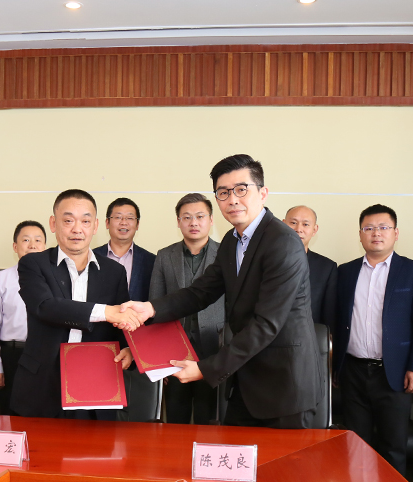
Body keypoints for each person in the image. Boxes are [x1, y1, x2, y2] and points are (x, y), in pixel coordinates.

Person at [119, 154, 322, 429]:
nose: (232, 199)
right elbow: (200, 292)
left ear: (263, 193)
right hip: (246, 378)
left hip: (284, 384)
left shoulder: (283, 242)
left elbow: (266, 324)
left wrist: (205, 369)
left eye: (241, 189)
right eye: (223, 192)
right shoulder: (232, 240)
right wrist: (151, 308)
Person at [10, 189, 138, 419]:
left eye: (85, 221)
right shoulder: (33, 263)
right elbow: (45, 306)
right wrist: (106, 312)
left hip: (95, 382)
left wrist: (129, 349)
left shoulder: (114, 272)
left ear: (96, 226)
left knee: (93, 442)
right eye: (68, 220)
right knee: (40, 442)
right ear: (53, 223)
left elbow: (120, 325)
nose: (77, 229)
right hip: (43, 382)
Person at [336, 204, 413, 476]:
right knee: (356, 446)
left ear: (395, 233)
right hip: (353, 372)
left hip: (395, 373)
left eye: (383, 227)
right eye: (369, 228)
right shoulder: (345, 272)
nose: (376, 233)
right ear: (360, 234)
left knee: (393, 447)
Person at [149, 193, 224, 425]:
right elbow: (155, 306)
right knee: (175, 417)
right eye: (187, 217)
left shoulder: (225, 254)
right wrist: (158, 360)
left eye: (200, 216)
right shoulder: (164, 256)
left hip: (214, 349)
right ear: (178, 221)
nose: (194, 222)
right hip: (174, 354)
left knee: (209, 420)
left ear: (211, 220)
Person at [93, 197, 157, 421]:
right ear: (107, 222)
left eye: (130, 218)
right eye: (118, 217)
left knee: (137, 422)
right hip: (97, 349)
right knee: (98, 421)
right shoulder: (89, 257)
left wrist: (141, 351)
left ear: (137, 224)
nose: (124, 222)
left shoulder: (152, 262)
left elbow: (156, 307)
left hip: (138, 351)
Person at [0, 220, 46, 415]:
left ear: (45, 247)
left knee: (44, 416)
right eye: (26, 240)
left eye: (38, 240)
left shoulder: (56, 280)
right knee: (11, 415)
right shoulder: (0, 280)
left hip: (45, 354)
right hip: (12, 356)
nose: (32, 245)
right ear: (15, 247)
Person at [283, 205, 337, 331]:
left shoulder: (326, 268)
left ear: (314, 230)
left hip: (308, 337)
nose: (298, 229)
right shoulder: (265, 260)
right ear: (283, 224)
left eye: (305, 224)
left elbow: (329, 315)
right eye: (293, 223)